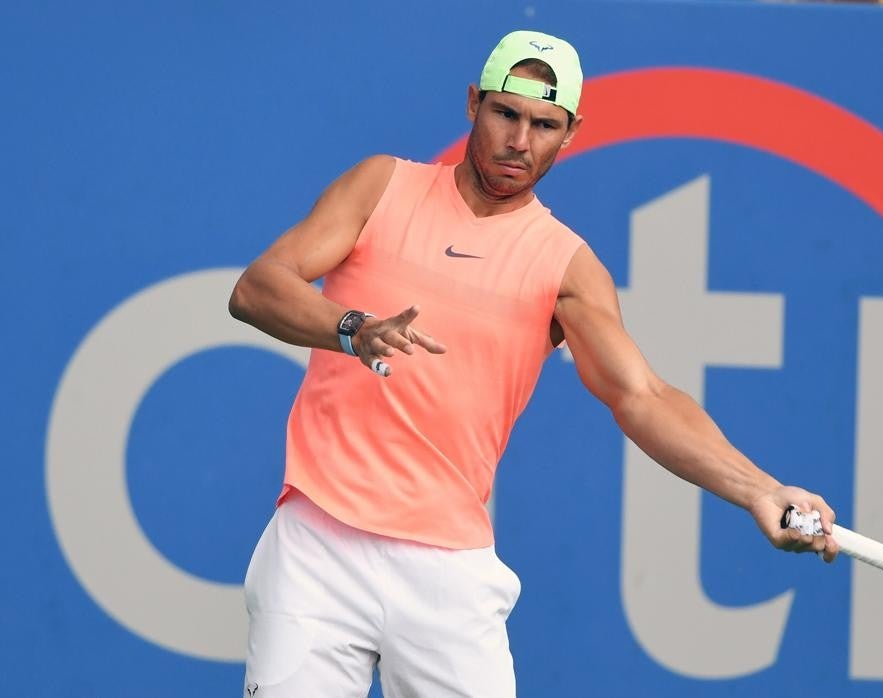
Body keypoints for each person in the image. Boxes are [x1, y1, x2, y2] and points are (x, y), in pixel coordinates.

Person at [228, 29, 838, 698]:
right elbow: (259, 286)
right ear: (473, 104)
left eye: (545, 124)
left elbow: (642, 396)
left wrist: (758, 489)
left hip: (449, 571)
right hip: (317, 544)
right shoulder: (382, 186)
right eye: (506, 113)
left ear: (570, 133)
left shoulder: (564, 266)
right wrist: (353, 328)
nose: (520, 139)